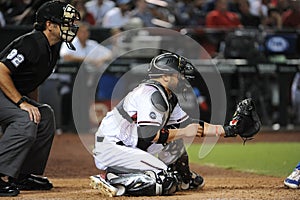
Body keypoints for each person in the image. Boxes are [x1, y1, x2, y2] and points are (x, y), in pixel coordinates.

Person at [89, 52, 261, 197]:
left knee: (176, 142)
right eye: (179, 75)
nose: (183, 79)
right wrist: (185, 132)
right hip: (113, 148)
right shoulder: (151, 95)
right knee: (164, 182)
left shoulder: (167, 95)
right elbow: (148, 134)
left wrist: (229, 130)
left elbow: (191, 125)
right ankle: (113, 177)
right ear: (165, 76)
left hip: (130, 143)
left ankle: (182, 176)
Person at [0, 0, 80, 197]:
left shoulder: (52, 47)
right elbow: (1, 71)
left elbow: (31, 82)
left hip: (8, 94)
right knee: (26, 119)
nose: (70, 27)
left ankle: (20, 174)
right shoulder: (30, 43)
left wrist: (30, 103)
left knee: (43, 116)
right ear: (49, 25)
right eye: (64, 22)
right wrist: (22, 103)